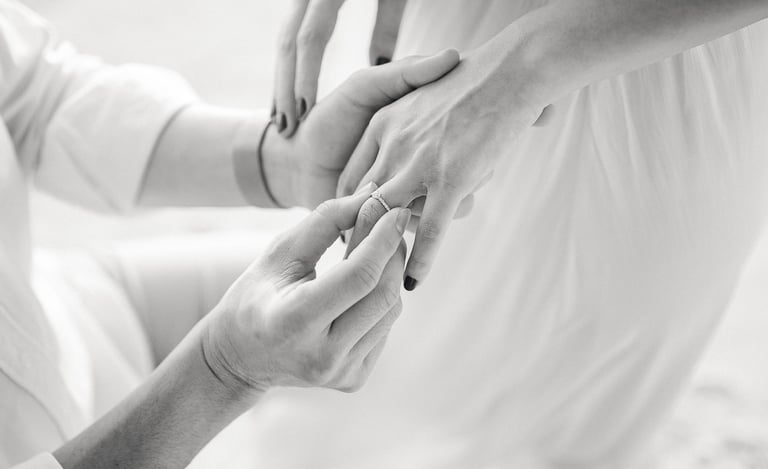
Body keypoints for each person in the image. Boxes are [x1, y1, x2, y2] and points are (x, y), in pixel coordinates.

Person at [238, 0, 768, 468]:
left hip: (647, 75)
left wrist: (520, 69)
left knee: (573, 411)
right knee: (369, 383)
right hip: (450, 58)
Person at [0, 1, 462, 467]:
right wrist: (222, 369)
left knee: (440, 320)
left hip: (85, 316)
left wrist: (282, 163)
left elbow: (35, 97)